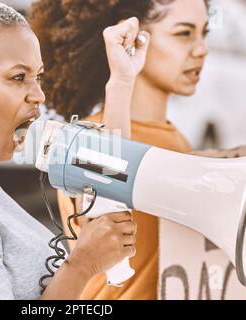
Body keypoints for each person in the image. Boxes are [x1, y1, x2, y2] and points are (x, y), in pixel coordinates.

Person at [0, 0, 141, 300]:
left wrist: (121, 82)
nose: (39, 95)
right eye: (19, 77)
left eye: (38, 77)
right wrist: (81, 264)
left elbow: (114, 168)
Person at [30, 0, 210, 300]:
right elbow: (108, 196)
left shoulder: (174, 136)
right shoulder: (83, 142)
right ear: (134, 38)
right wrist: (121, 81)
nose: (202, 49)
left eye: (205, 32)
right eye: (184, 33)